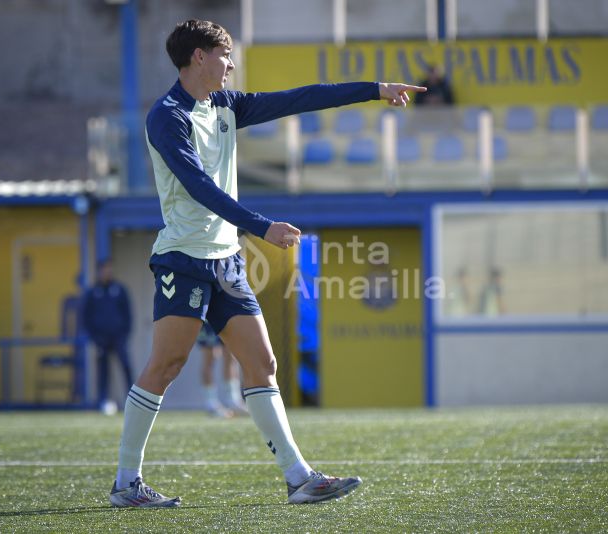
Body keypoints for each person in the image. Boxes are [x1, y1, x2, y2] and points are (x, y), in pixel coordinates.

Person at [108, 19, 426, 508]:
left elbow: (301, 98)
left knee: (262, 363)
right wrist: (262, 226)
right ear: (198, 57)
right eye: (225, 54)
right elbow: (199, 187)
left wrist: (375, 90)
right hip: (183, 260)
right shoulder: (166, 117)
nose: (231, 64)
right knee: (166, 365)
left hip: (226, 260)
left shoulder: (226, 106)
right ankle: (126, 483)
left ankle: (298, 477)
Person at [81, 259, 133, 413]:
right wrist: (94, 337)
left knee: (126, 367)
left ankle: (131, 401)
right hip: (100, 339)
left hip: (119, 337)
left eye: (109, 269)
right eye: (104, 269)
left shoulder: (120, 289)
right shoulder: (92, 292)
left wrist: (125, 334)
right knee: (103, 371)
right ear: (98, 271)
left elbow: (128, 314)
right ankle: (104, 401)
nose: (107, 272)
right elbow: (86, 317)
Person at [198, 320, 247, 417]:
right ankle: (210, 403)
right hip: (207, 316)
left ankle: (233, 400)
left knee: (231, 355)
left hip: (225, 313)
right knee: (210, 356)